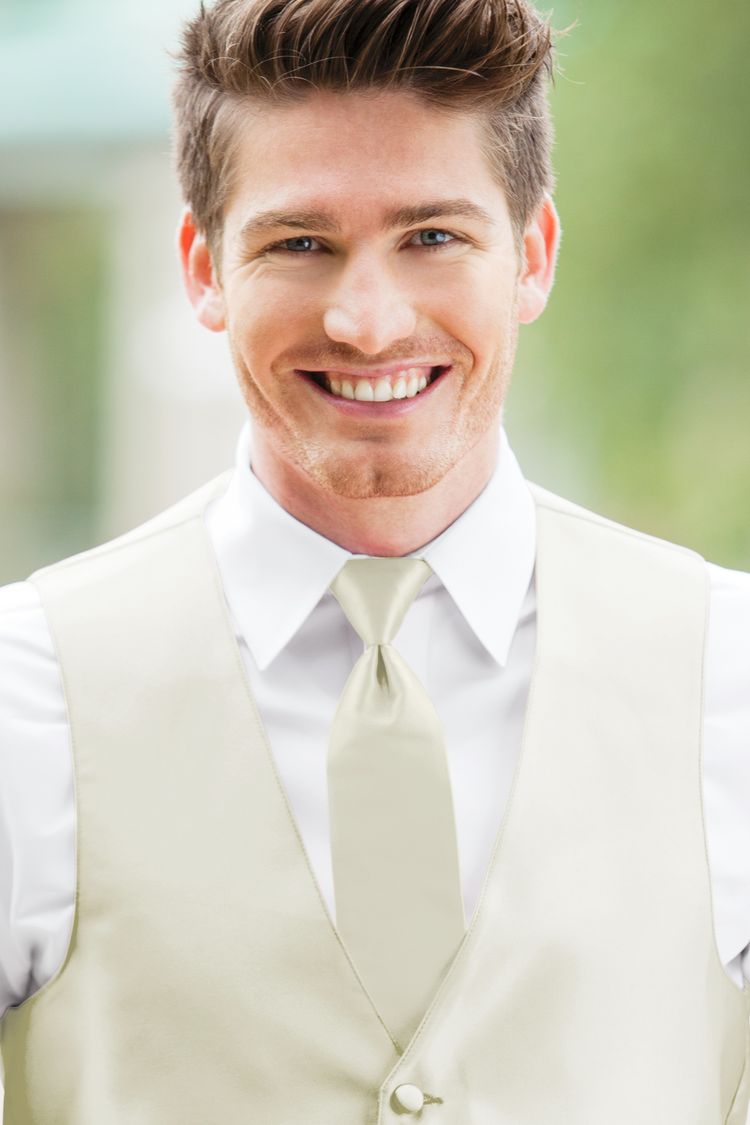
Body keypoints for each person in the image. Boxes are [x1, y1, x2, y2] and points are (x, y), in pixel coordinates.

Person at [1, 0, 749, 1120]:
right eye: (300, 242)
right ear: (204, 267)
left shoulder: (728, 673)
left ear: (532, 256)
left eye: (432, 236)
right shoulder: (26, 694)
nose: (366, 320)